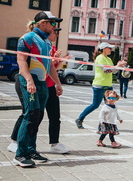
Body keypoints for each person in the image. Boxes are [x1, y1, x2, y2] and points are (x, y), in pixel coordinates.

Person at [8, 24, 70, 155]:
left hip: (48, 85)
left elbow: (51, 68)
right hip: (36, 83)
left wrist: (58, 80)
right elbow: (28, 63)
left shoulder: (49, 45)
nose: (56, 34)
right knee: (29, 114)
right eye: (54, 31)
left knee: (51, 116)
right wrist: (30, 81)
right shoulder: (32, 41)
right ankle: (16, 143)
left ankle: (51, 144)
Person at [75, 43, 126, 129]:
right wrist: (116, 66)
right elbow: (106, 70)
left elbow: (112, 71)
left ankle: (107, 124)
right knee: (95, 105)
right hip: (99, 85)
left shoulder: (108, 59)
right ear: (104, 49)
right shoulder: (99, 58)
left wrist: (118, 66)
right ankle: (80, 119)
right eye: (109, 48)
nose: (111, 50)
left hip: (108, 85)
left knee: (109, 106)